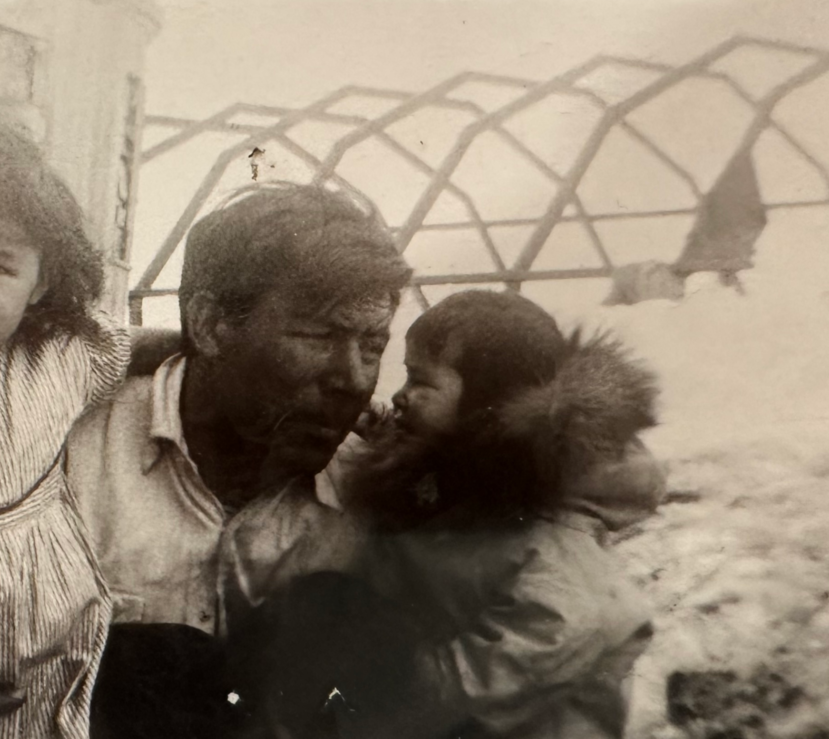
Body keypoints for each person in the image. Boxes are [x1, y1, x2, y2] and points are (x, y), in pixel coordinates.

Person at [0, 181, 414, 739]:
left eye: (373, 344)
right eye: (319, 336)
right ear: (208, 324)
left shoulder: (379, 492)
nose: (353, 377)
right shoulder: (50, 431)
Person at [232, 290, 665, 739]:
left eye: (421, 382)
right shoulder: (466, 479)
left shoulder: (550, 526)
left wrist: (407, 683)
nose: (401, 396)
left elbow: (583, 620)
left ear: (488, 404)